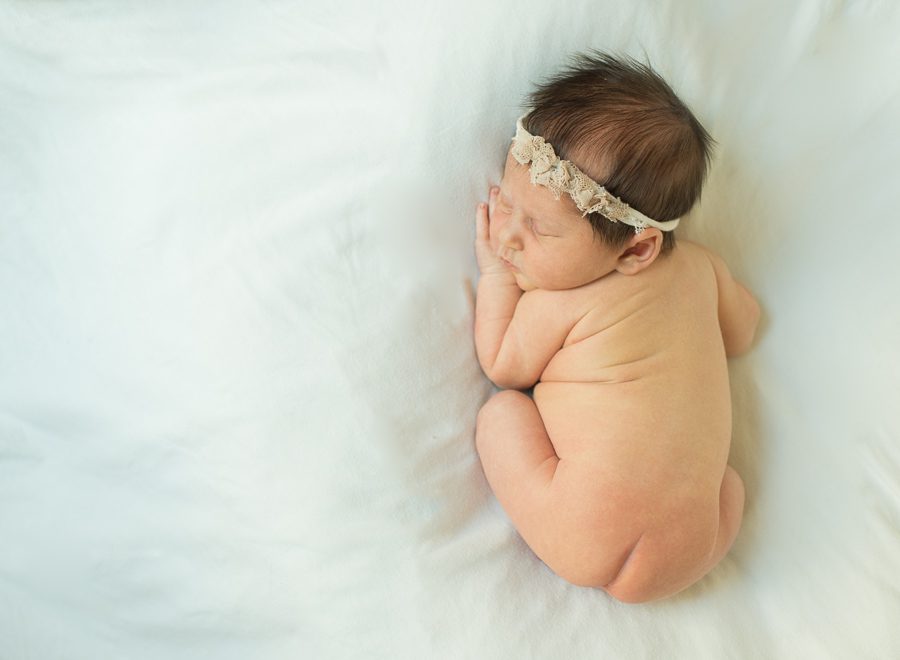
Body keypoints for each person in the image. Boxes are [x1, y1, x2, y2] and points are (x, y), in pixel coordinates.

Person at [473, 52, 760, 604]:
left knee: (501, 413)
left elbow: (502, 365)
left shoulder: (561, 299)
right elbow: (744, 331)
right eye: (506, 202)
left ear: (635, 251)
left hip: (581, 535)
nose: (506, 236)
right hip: (699, 543)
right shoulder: (702, 268)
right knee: (731, 486)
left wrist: (495, 274)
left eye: (540, 229)